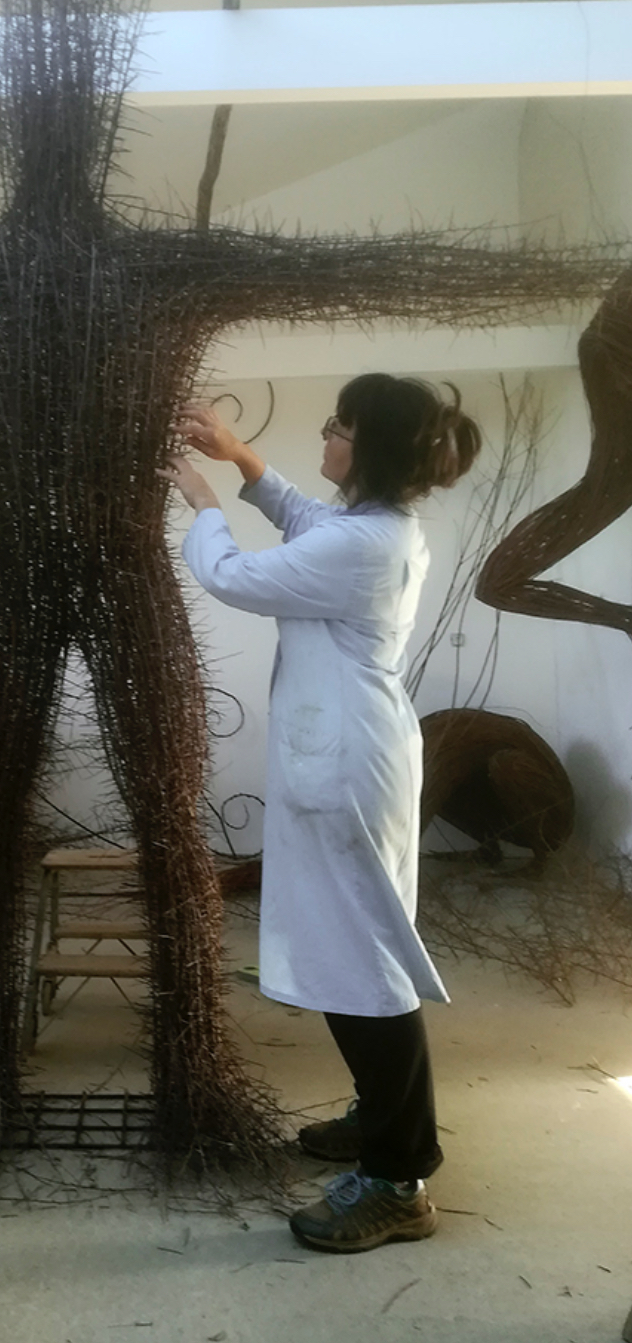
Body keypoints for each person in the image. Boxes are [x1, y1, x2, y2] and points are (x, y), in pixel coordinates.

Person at [160, 375, 481, 1253]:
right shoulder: (369, 526)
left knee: (363, 962)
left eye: (338, 426)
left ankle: (397, 1179)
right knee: (351, 953)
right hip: (343, 749)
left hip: (344, 764)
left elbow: (232, 576)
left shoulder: (364, 544)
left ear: (367, 448)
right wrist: (241, 459)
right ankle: (380, 1118)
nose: (326, 436)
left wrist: (201, 500)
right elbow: (305, 519)